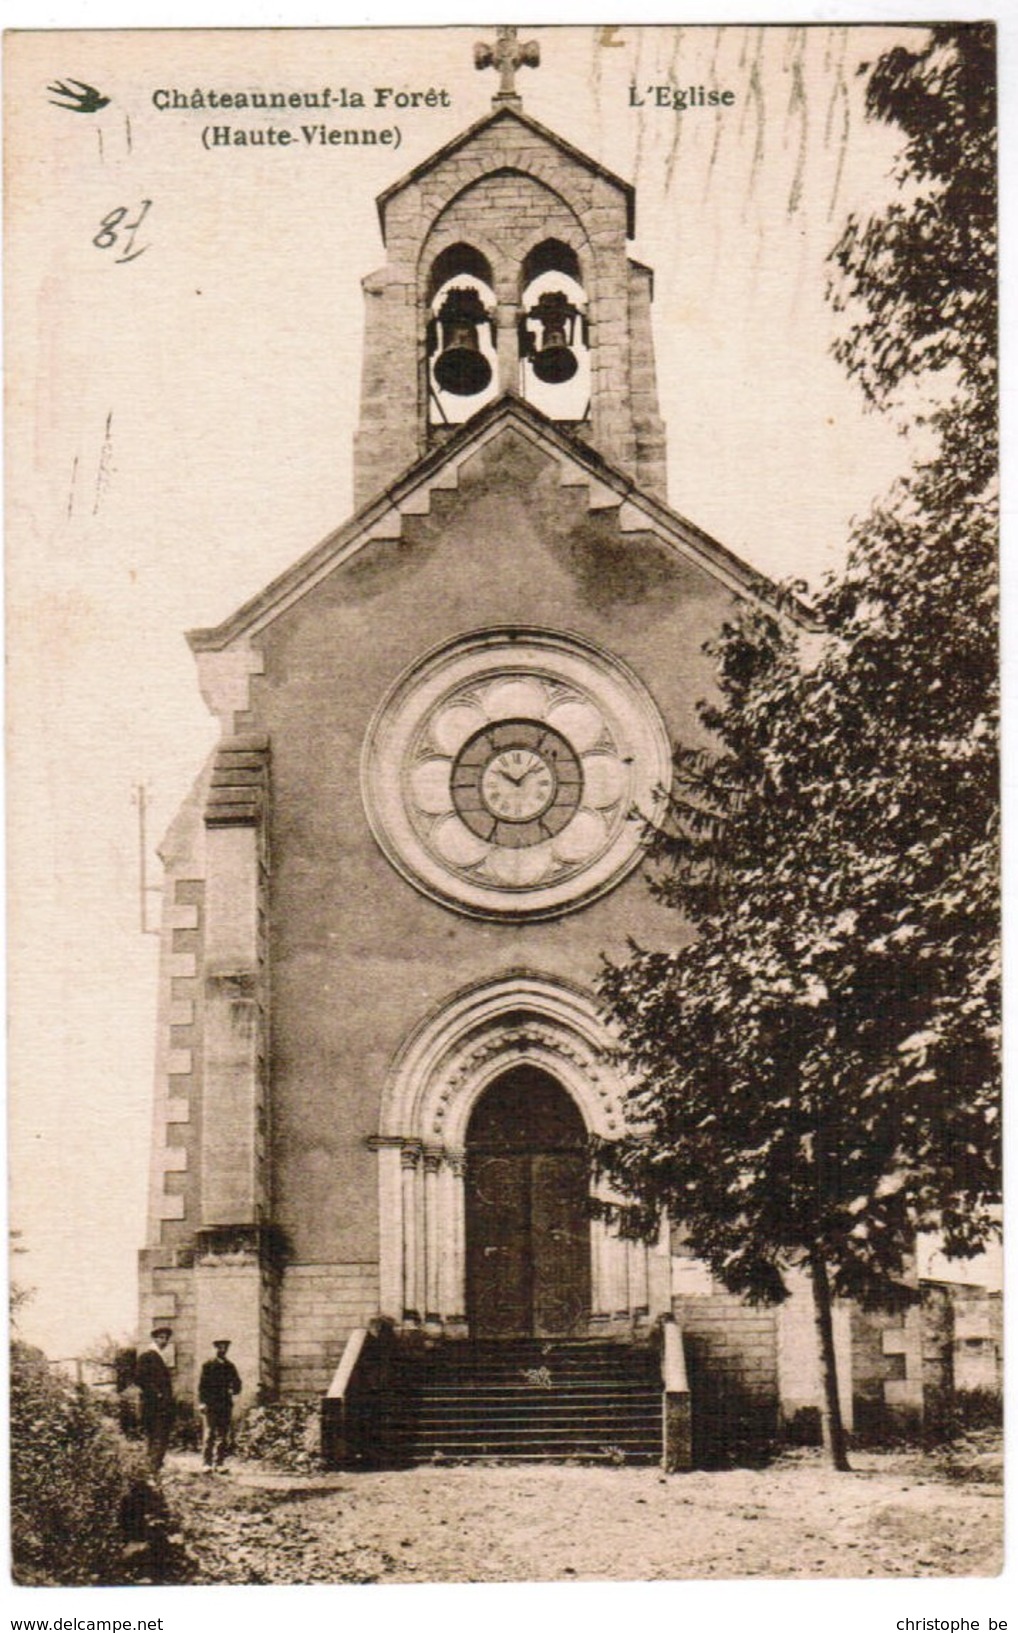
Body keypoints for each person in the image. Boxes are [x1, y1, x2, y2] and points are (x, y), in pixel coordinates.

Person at [136, 1325, 175, 1475]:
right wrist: (157, 1394)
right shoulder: (147, 1356)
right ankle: (152, 1469)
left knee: (160, 1437)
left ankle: (154, 1468)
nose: (164, 1341)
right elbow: (140, 1378)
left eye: (166, 1338)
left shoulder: (160, 1357)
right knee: (156, 1437)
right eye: (161, 1337)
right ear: (154, 1338)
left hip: (162, 1406)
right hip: (153, 1406)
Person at [198, 1338, 242, 1471]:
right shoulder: (208, 1365)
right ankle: (207, 1463)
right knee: (210, 1433)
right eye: (219, 1347)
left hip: (225, 1404)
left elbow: (238, 1384)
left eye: (225, 1348)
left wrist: (233, 1390)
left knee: (223, 1434)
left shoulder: (230, 1366)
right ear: (215, 1348)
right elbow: (202, 1386)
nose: (222, 1350)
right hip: (210, 1404)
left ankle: (219, 1463)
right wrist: (202, 1403)